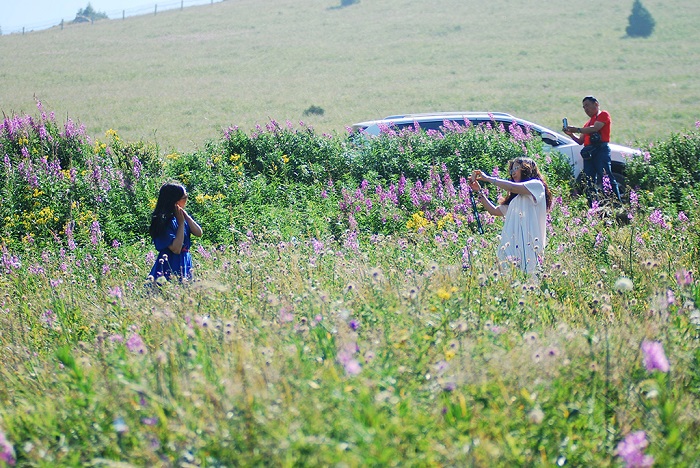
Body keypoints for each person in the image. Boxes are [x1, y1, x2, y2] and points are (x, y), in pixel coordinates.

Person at [469, 157, 552, 275]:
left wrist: (488, 178)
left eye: (516, 168)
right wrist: (479, 191)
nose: (513, 173)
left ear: (527, 169)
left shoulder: (536, 186)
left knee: (530, 279)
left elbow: (512, 187)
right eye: (511, 170)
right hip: (511, 247)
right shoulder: (516, 199)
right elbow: (494, 211)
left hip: (529, 247)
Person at [563, 95, 623, 205]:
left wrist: (577, 129)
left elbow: (595, 128)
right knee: (589, 180)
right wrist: (571, 134)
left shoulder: (603, 115)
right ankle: (594, 205)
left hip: (600, 150)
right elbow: (580, 141)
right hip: (589, 153)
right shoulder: (587, 123)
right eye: (584, 107)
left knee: (606, 177)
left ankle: (616, 203)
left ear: (596, 104)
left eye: (587, 105)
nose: (586, 109)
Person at [148, 182, 203, 281]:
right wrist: (181, 224)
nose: (187, 200)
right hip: (171, 264)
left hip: (185, 261)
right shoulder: (163, 221)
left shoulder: (181, 217)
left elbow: (199, 233)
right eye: (185, 197)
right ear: (175, 201)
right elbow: (176, 249)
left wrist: (186, 217)